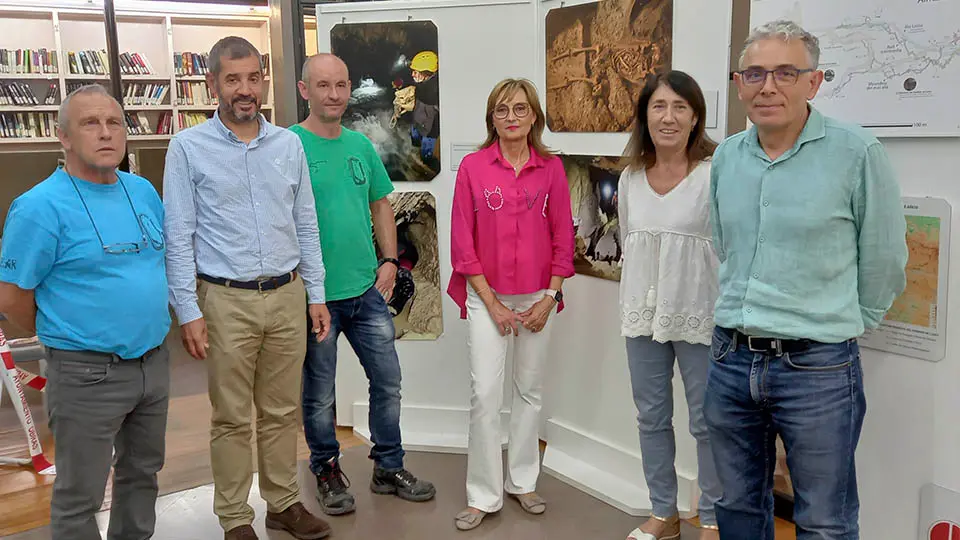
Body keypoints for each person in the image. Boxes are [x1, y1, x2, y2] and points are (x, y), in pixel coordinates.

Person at [706, 20, 908, 539]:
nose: (767, 85)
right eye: (754, 73)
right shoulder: (727, 156)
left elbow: (884, 258)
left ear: (813, 82)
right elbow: (724, 244)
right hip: (731, 359)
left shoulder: (856, 153)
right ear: (738, 82)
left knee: (824, 519)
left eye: (785, 72)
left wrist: (840, 325)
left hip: (817, 367)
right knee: (737, 506)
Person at [163, 37, 332, 540]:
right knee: (232, 417)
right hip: (226, 299)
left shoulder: (288, 144)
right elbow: (178, 235)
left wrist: (316, 294)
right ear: (212, 83)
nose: (244, 89)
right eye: (231, 79)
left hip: (287, 294)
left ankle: (281, 502)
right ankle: (235, 517)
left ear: (263, 81)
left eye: (252, 77)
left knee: (282, 411)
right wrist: (187, 309)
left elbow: (306, 224)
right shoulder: (188, 148)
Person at [0, 84, 170, 540]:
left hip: (152, 364)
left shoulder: (142, 191)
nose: (106, 133)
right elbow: (12, 296)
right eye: (90, 123)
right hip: (86, 374)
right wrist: (69, 335)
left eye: (114, 123)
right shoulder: (38, 208)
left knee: (142, 476)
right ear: (64, 138)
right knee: (81, 495)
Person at [290, 53, 435, 517]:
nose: (333, 95)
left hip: (365, 290)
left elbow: (381, 205)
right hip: (317, 298)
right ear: (303, 90)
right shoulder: (287, 146)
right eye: (323, 86)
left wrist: (390, 260)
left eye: (340, 85)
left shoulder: (359, 145)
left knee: (388, 381)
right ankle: (327, 469)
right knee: (320, 392)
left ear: (349, 87)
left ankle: (388, 465)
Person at [448, 78, 575, 531]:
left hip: (539, 297)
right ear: (492, 119)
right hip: (487, 297)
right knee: (485, 395)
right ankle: (484, 493)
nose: (511, 118)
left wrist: (551, 296)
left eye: (520, 109)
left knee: (529, 391)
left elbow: (564, 237)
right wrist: (493, 303)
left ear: (534, 116)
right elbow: (462, 243)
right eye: (502, 111)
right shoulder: (473, 168)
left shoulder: (551, 169)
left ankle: (523, 481)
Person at [618, 71, 722, 540]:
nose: (669, 116)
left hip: (700, 313)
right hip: (641, 315)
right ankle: (665, 512)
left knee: (708, 421)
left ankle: (714, 518)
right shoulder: (630, 178)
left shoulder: (713, 174)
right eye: (659, 106)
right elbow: (629, 241)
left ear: (696, 116)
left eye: (680, 107)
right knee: (651, 417)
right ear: (645, 114)